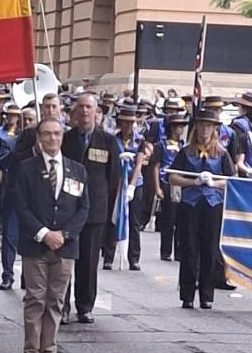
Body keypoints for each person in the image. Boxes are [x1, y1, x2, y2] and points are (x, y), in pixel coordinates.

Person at [13, 118, 89, 353]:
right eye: (47, 134)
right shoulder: (25, 169)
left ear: (62, 137)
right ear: (39, 138)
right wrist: (44, 233)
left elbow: (83, 208)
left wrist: (64, 234)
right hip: (36, 244)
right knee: (35, 298)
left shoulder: (77, 170)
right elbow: (21, 206)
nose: (52, 139)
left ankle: (49, 352)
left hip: (65, 247)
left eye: (56, 134)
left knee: (56, 300)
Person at [167, 108, 235, 310]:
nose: (205, 130)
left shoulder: (222, 153)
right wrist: (193, 181)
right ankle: (187, 295)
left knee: (209, 249)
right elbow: (172, 177)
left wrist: (214, 183)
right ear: (196, 127)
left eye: (209, 126)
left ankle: (207, 295)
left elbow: (231, 180)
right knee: (189, 250)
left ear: (214, 129)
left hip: (212, 205)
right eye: (202, 125)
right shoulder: (186, 151)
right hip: (190, 204)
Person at [61, 94, 120, 323]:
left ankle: (85, 306)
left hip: (95, 210)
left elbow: (113, 178)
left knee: (88, 262)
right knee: (65, 261)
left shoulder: (107, 141)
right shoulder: (65, 140)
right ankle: (62, 306)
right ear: (75, 113)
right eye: (81, 107)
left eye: (89, 108)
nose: (85, 112)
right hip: (67, 210)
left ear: (97, 113)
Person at [102, 103, 150, 272]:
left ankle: (134, 258)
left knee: (134, 222)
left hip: (134, 183)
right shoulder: (112, 139)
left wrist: (131, 186)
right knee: (113, 219)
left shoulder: (140, 140)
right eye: (124, 122)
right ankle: (108, 256)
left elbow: (139, 163)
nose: (127, 125)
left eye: (130, 122)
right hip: (116, 183)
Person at [150, 112, 187, 261]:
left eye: (182, 126)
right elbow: (156, 167)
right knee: (168, 220)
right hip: (166, 183)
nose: (180, 129)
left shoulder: (184, 146)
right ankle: (165, 251)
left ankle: (179, 251)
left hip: (182, 185)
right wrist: (157, 187)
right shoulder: (161, 145)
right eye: (178, 126)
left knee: (181, 220)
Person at [0, 104, 23, 289]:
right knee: (9, 235)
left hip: (34, 196)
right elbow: (0, 162)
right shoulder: (2, 136)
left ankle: (27, 277)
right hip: (12, 190)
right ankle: (7, 274)